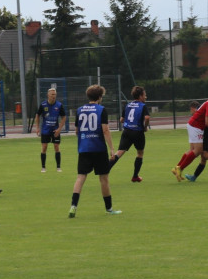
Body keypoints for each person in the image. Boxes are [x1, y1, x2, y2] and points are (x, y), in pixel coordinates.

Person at [68, 85, 120, 217]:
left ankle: (73, 206)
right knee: (104, 178)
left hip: (84, 148)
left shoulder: (79, 110)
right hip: (98, 148)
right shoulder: (101, 110)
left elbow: (76, 131)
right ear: (99, 97)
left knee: (81, 177)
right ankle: (109, 209)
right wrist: (112, 149)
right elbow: (105, 130)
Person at [109, 86, 150, 182]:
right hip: (137, 132)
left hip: (126, 131)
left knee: (119, 152)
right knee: (140, 153)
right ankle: (135, 176)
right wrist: (144, 127)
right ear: (140, 96)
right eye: (144, 95)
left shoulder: (128, 105)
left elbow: (121, 120)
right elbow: (147, 118)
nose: (145, 97)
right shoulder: (143, 106)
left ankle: (105, 169)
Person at [34, 88, 66, 173]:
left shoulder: (59, 105)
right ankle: (43, 167)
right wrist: (37, 127)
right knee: (44, 147)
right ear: (48, 95)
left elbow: (64, 117)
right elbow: (37, 115)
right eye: (52, 94)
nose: (53, 96)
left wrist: (59, 129)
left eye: (55, 94)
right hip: (45, 130)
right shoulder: (43, 105)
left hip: (55, 130)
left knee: (56, 147)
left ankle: (58, 167)